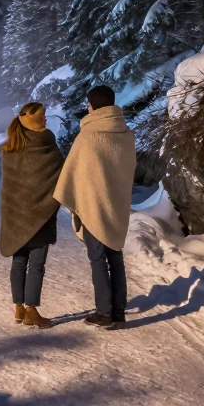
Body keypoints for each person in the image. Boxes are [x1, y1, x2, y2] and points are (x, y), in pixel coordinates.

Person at [53, 85, 137, 329]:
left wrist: (74, 197)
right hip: (117, 204)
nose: (87, 107)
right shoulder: (126, 133)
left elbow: (73, 173)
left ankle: (104, 312)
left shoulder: (89, 135)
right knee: (116, 257)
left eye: (89, 103)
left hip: (93, 205)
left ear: (94, 105)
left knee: (98, 259)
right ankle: (118, 311)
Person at [0, 102, 65, 329]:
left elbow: (10, 184)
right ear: (34, 119)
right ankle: (31, 311)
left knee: (19, 262)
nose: (46, 119)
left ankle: (18, 307)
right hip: (40, 212)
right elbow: (61, 175)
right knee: (36, 264)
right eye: (43, 115)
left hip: (15, 213)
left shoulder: (11, 146)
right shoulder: (45, 143)